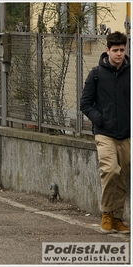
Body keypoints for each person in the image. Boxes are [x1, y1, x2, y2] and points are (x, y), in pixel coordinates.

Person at [80, 31, 130, 234]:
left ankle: (117, 218)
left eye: (122, 50)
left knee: (122, 177)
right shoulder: (97, 74)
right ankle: (106, 214)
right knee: (110, 171)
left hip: (126, 134)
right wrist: (101, 120)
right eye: (115, 50)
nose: (119, 54)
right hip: (104, 134)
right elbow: (85, 104)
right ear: (107, 50)